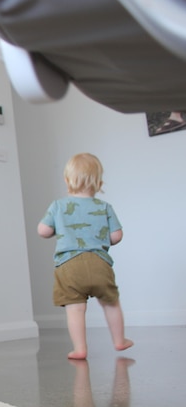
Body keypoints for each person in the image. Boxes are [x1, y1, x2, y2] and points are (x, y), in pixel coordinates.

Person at [37, 153, 133, 360]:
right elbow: (117, 236)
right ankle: (119, 340)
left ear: (67, 180)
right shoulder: (104, 207)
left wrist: (58, 230)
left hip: (68, 266)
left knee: (75, 309)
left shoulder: (58, 206)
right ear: (98, 182)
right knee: (111, 303)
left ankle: (80, 349)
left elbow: (43, 231)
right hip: (99, 264)